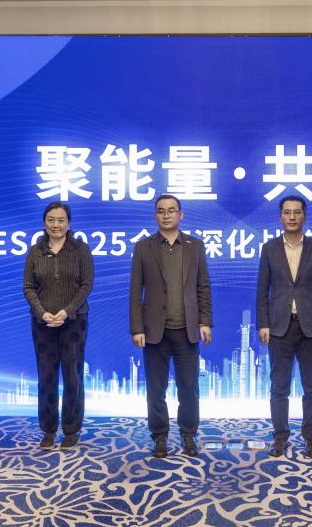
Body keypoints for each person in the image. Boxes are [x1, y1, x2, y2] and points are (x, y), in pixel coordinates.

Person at [130, 194, 213, 458]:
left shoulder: (195, 246)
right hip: (154, 331)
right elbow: (135, 291)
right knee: (156, 390)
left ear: (181, 215)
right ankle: (160, 437)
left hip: (187, 330)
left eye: (171, 210)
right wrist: (137, 328)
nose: (166, 215)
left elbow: (203, 286)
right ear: (155, 215)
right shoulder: (143, 247)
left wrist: (205, 321)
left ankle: (188, 434)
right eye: (161, 211)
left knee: (188, 388)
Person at [256, 195, 312, 459]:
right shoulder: (269, 248)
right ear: (280, 216)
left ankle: (311, 439)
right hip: (279, 327)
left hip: (311, 327)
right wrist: (263, 323)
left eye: (297, 212)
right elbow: (262, 290)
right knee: (279, 387)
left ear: (304, 216)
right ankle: (280, 437)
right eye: (287, 212)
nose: (292, 217)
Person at [23, 201, 94, 450]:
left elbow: (87, 285)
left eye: (61, 220)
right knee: (46, 377)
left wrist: (66, 311)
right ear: (44, 223)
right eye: (51, 220)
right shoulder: (35, 251)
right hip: (42, 323)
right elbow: (28, 287)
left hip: (74, 321)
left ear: (69, 223)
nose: (56, 224)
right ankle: (49, 430)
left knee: (73, 377)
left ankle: (71, 429)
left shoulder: (81, 250)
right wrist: (42, 313)